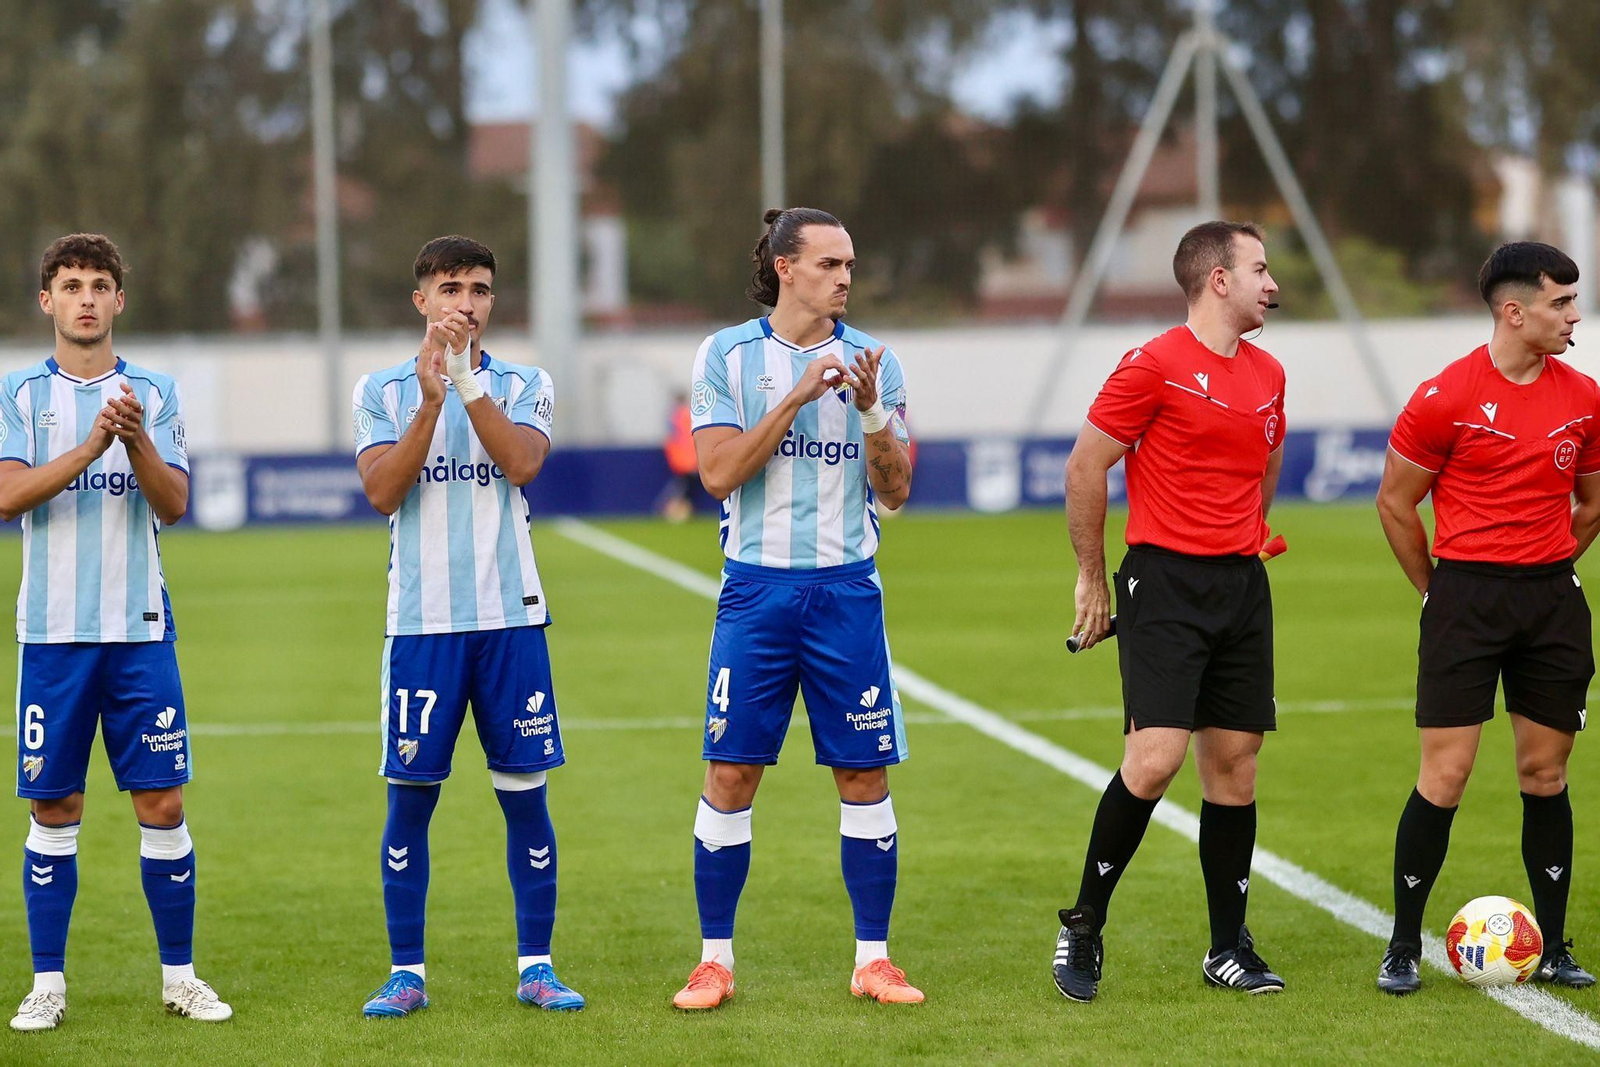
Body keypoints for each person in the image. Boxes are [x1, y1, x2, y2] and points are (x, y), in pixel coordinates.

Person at [670, 207, 919, 1010]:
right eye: (829, 263)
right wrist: (800, 399)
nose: (845, 276)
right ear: (785, 267)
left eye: (850, 263)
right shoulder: (728, 356)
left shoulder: (876, 359)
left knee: (862, 770)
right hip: (758, 591)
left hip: (847, 590)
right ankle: (714, 960)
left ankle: (874, 959)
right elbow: (716, 473)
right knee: (733, 771)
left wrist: (874, 411)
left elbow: (897, 489)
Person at [3, 233, 231, 1030]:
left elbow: (173, 505)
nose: (87, 297)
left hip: (139, 631)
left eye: (100, 284)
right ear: (48, 300)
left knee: (163, 804)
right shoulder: (21, 394)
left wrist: (133, 439)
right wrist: (92, 443)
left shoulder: (155, 393)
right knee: (55, 805)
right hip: (54, 635)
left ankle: (180, 976)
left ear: (120, 300)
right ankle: (48, 985)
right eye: (71, 284)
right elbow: (8, 496)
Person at [1057, 221, 1287, 1001]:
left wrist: (1245, 537)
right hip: (1162, 584)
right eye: (1259, 268)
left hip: (1241, 586)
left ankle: (1229, 946)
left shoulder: (1269, 372)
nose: (1271, 283)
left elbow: (1267, 459)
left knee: (1235, 768)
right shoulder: (1154, 364)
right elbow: (1087, 465)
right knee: (1153, 760)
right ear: (1218, 279)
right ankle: (1084, 922)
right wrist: (1092, 578)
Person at [352, 235, 582, 1017]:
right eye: (450, 288)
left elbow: (520, 463)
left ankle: (537, 966)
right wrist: (428, 399)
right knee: (410, 801)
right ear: (421, 300)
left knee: (525, 797)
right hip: (421, 625)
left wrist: (465, 386)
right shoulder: (380, 389)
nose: (466, 302)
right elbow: (384, 490)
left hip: (510, 621)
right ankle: (406, 971)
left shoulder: (525, 382)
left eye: (479, 289)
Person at [1374, 241, 1598, 994]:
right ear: (1515, 311)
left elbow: (1594, 501)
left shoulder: (1585, 396)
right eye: (1561, 302)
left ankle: (1556, 943)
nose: (1574, 315)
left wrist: (1557, 559)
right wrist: (1437, 588)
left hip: (1551, 601)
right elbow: (1396, 502)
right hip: (1464, 600)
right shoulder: (1446, 395)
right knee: (1447, 772)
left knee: (1546, 770)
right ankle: (1403, 943)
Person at [657, 392, 698, 522]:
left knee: (684, 485)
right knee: (683, 485)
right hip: (686, 459)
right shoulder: (686, 415)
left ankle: (672, 508)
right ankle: (668, 507)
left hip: (681, 458)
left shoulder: (675, 416)